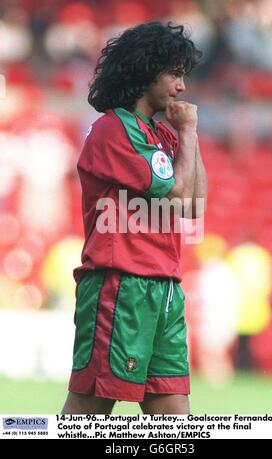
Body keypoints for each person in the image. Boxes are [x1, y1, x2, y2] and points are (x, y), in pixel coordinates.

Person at [62, 21, 207, 415]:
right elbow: (177, 192)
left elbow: (194, 206)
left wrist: (188, 136)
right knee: (87, 415)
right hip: (119, 287)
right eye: (174, 74)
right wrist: (188, 133)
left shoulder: (165, 134)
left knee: (174, 421)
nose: (181, 87)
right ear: (146, 71)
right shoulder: (113, 130)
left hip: (165, 291)